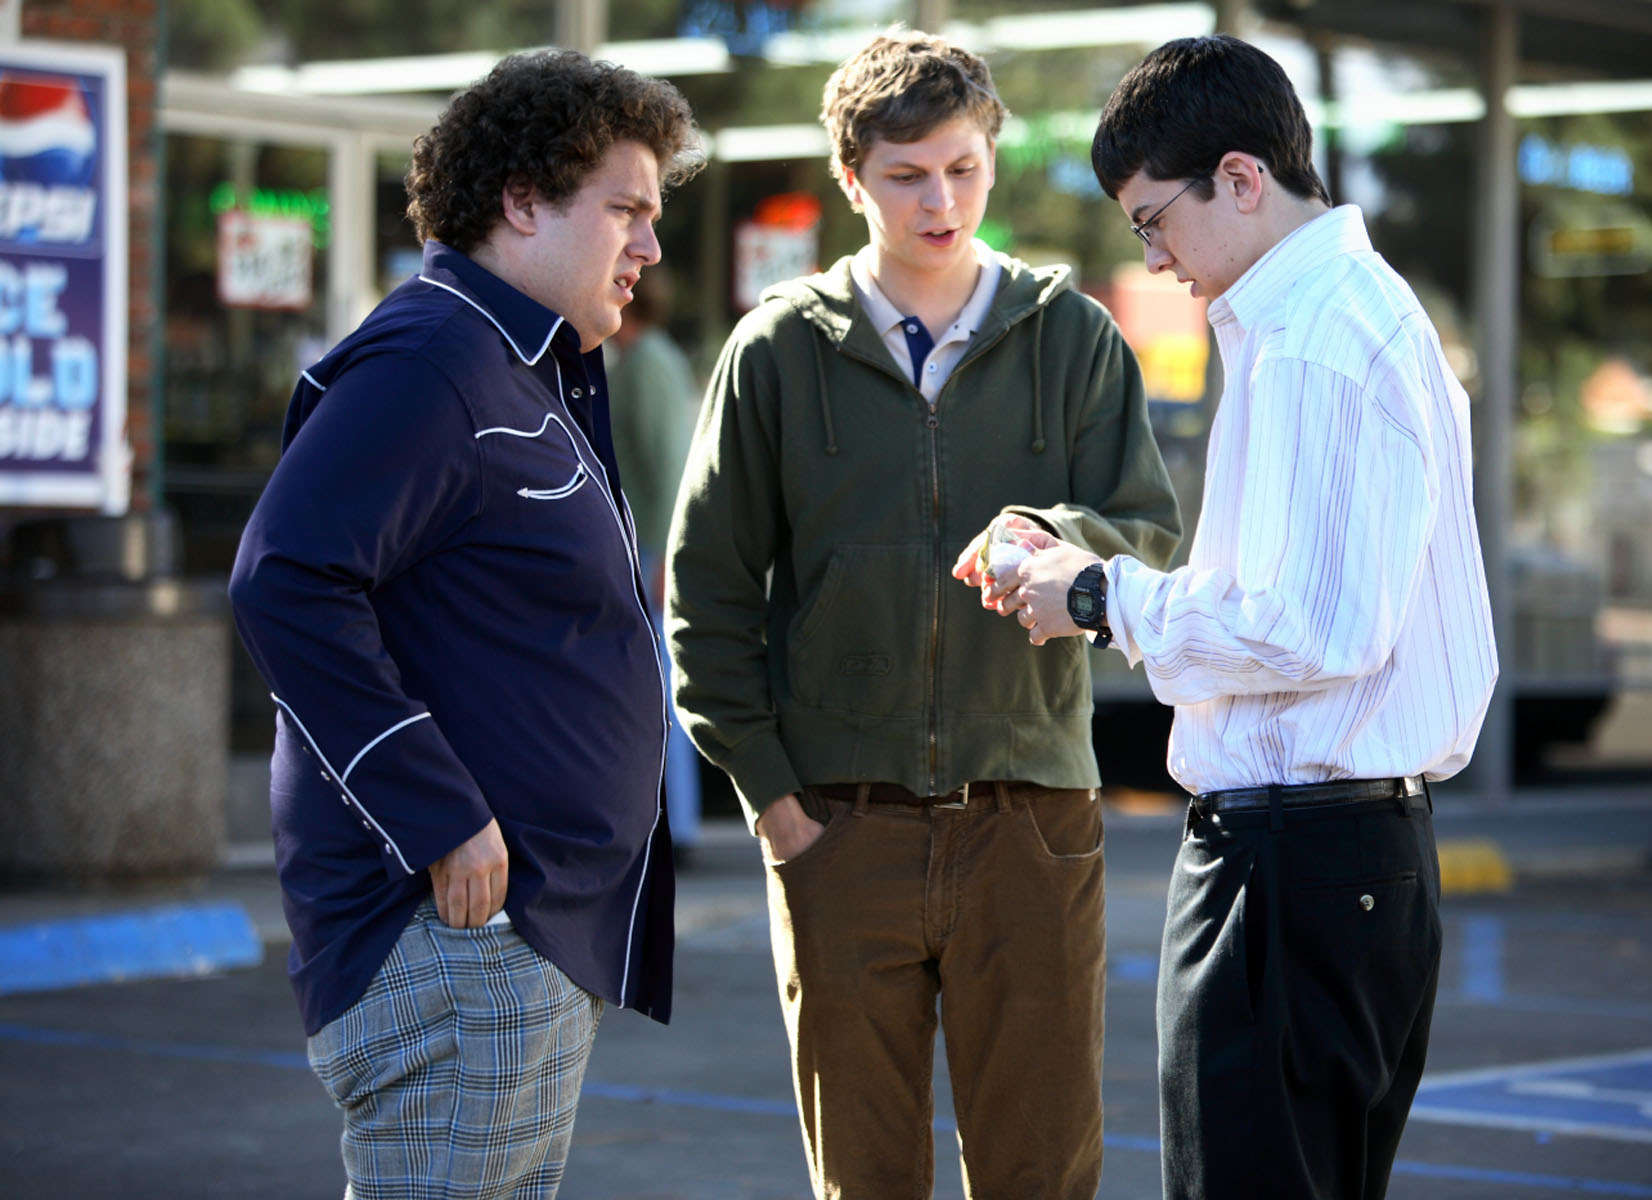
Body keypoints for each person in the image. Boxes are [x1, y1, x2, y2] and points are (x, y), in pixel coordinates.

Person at [665, 30, 1181, 1200]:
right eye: (906, 176)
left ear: (991, 155)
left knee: (1040, 1174)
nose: (940, 200)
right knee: (864, 1178)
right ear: (851, 179)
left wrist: (1054, 541)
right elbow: (705, 589)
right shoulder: (775, 354)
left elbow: (1147, 535)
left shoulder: (1074, 339)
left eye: (962, 167)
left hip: (1033, 824)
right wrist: (773, 800)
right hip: (840, 826)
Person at [984, 35, 1499, 1200]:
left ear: (1242, 178)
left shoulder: (1315, 341)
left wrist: (1098, 593)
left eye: (1152, 220)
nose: (1154, 256)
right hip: (1345, 858)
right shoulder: (1349, 315)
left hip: (1294, 859)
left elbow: (1311, 628)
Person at [228, 50, 703, 1199]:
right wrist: (441, 818)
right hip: (452, 941)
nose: (648, 246)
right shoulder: (431, 358)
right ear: (521, 200)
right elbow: (284, 578)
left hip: (512, 950)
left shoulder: (520, 365)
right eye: (625, 211)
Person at [605, 273, 705, 853]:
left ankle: (675, 824)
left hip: (649, 548)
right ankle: (670, 821)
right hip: (646, 545)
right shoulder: (649, 359)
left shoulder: (644, 362)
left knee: (659, 688)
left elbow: (666, 464)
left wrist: (667, 553)